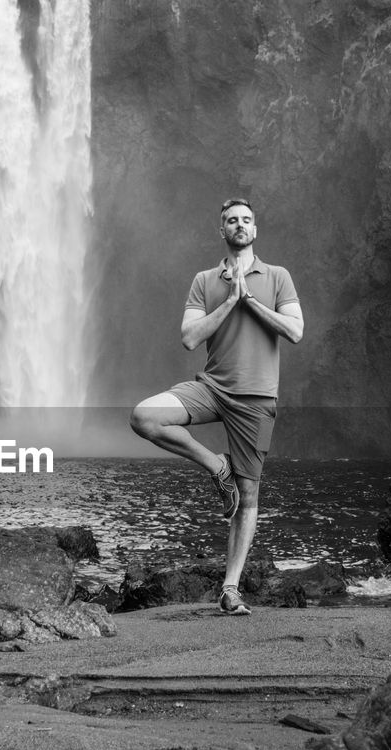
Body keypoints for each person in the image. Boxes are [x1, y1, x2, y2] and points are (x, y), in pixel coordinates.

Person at [129, 197, 304, 616]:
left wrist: (251, 302)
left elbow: (296, 331)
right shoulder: (204, 280)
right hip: (211, 387)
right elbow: (190, 338)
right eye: (231, 220)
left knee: (248, 496)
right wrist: (228, 301)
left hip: (256, 398)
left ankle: (230, 589)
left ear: (255, 230)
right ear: (221, 230)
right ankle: (216, 466)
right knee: (144, 416)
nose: (239, 225)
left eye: (246, 220)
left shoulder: (278, 277)